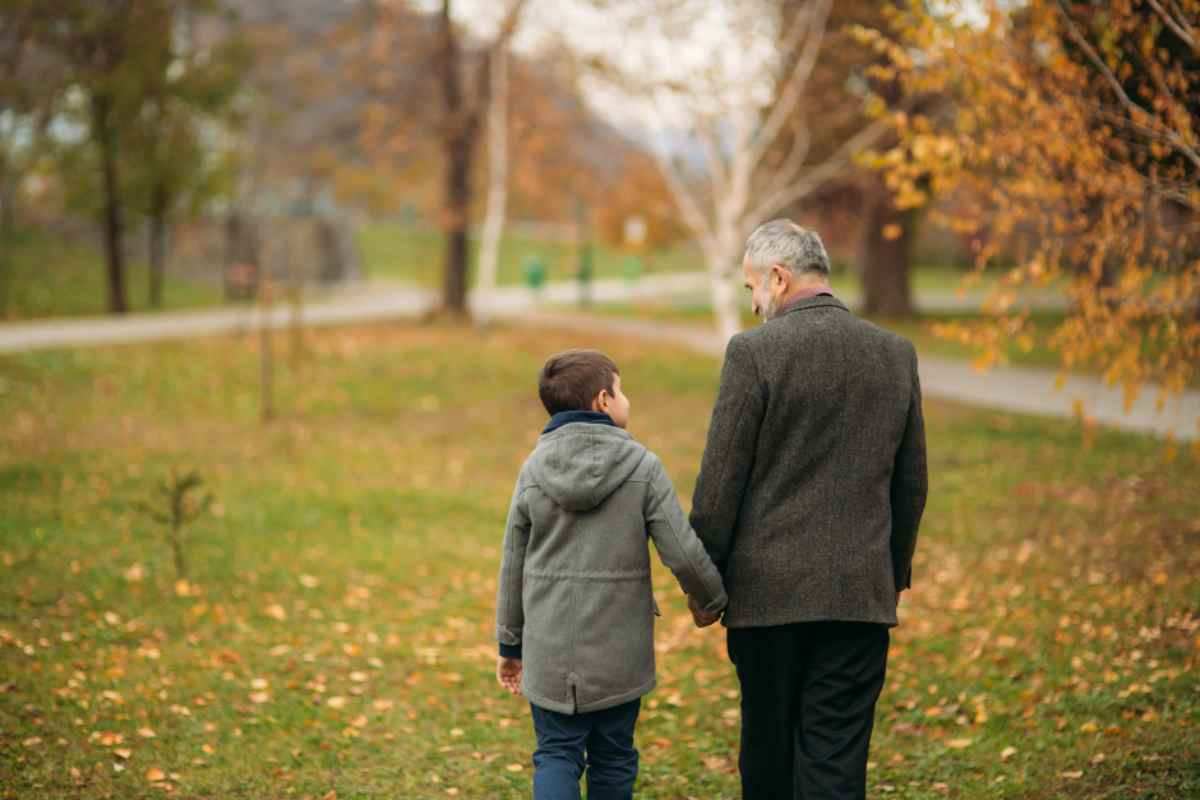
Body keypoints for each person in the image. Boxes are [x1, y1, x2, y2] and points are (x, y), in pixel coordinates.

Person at [689, 219, 929, 800]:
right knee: (836, 763)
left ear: (778, 276)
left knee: (768, 758)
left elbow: (720, 486)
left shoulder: (754, 353)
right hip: (859, 599)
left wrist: (705, 585)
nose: (752, 305)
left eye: (752, 289)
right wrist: (888, 576)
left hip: (766, 601)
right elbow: (911, 483)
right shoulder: (895, 353)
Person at [495, 349, 727, 800]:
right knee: (614, 756)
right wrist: (711, 599)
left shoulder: (534, 470)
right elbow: (681, 551)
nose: (627, 399)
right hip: (619, 653)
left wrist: (510, 644)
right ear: (603, 400)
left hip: (549, 650)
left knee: (557, 753)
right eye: (622, 390)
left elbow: (512, 563)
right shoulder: (642, 467)